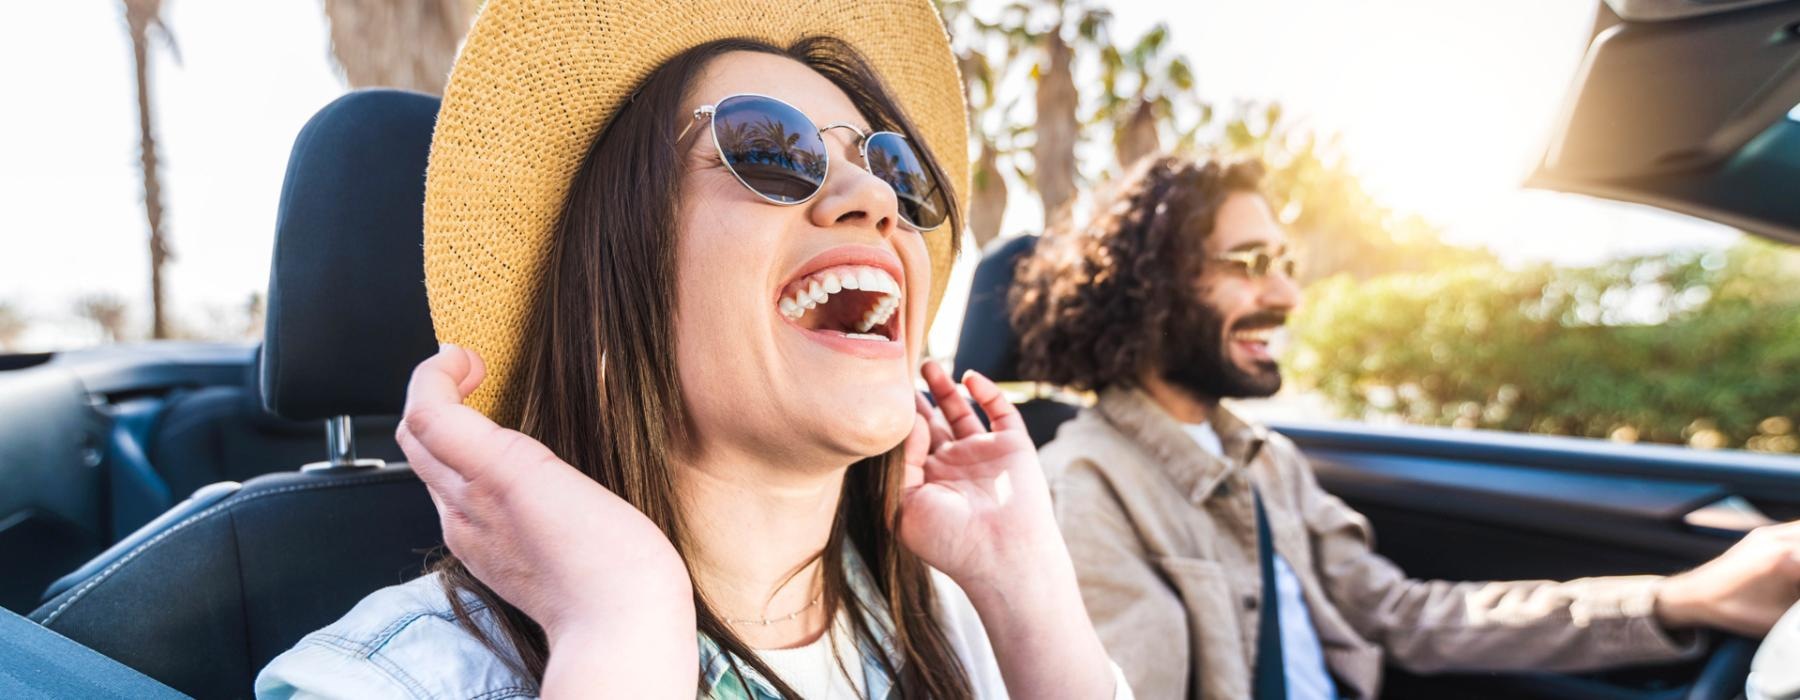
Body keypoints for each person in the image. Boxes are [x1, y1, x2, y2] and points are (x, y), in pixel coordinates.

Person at [255, 1, 1128, 697]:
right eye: (766, 149)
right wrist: (624, 620)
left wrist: (1029, 590)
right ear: (607, 289)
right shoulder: (391, 679)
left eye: (896, 169)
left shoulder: (967, 624)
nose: (874, 197)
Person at [1012, 153, 1800, 699]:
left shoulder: (1268, 462)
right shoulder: (1083, 487)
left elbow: (1406, 618)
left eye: (1286, 260)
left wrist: (1682, 599)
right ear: (1148, 289)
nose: (1286, 293)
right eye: (1249, 262)